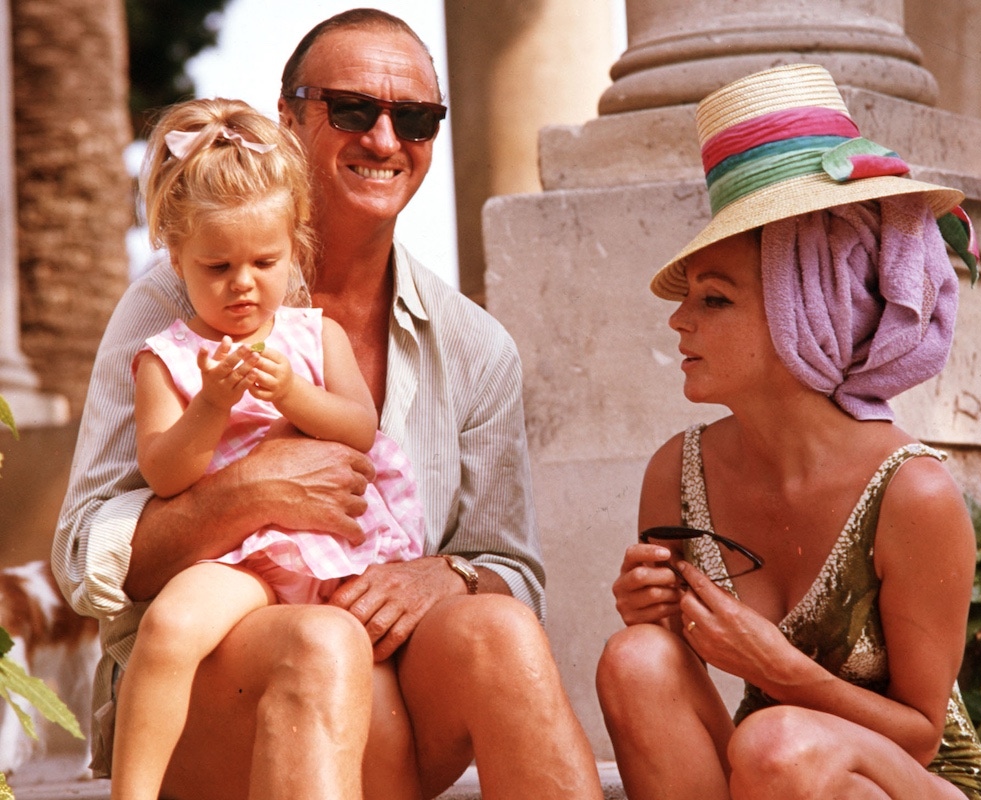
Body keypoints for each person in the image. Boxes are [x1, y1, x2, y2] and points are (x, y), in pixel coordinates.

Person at [53, 9, 603, 800]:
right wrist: (248, 492)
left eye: (414, 119)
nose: (385, 139)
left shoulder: (477, 347)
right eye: (351, 108)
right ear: (286, 119)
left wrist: (445, 576)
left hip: (394, 703)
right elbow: (82, 559)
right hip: (214, 701)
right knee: (322, 645)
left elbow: (514, 569)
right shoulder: (172, 307)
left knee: (499, 631)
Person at [595, 63, 981, 800]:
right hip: (771, 773)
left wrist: (779, 672)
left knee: (778, 742)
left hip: (912, 779)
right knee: (635, 660)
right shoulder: (676, 475)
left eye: (714, 299)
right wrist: (655, 616)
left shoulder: (914, 492)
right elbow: (680, 673)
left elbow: (922, 731)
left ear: (806, 304)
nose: (679, 320)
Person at [111, 97, 427, 800]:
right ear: (175, 257)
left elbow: (360, 431)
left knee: (373, 668)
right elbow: (164, 472)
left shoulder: (316, 338)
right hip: (240, 557)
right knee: (168, 625)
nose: (243, 283)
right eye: (216, 266)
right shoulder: (168, 357)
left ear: (296, 245)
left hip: (340, 554)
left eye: (264, 260)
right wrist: (212, 407)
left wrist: (294, 396)